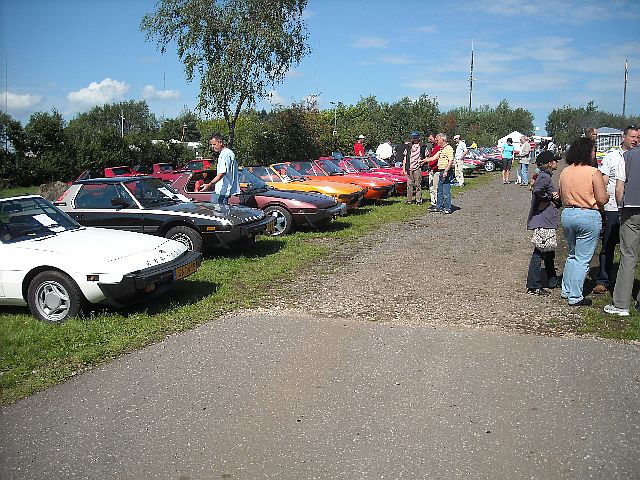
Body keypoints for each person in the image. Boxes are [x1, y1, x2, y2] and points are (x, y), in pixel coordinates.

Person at [558, 136, 608, 306]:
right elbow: (601, 199)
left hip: (568, 214)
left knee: (572, 255)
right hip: (588, 215)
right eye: (594, 150)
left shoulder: (565, 171)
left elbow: (561, 194)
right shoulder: (593, 172)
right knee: (582, 258)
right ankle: (575, 296)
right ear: (588, 152)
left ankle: (566, 289)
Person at [593, 125, 639, 294]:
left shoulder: (637, 157)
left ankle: (625, 283)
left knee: (630, 248)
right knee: (608, 244)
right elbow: (603, 180)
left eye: (637, 137)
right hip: (613, 206)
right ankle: (603, 279)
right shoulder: (612, 156)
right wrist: (601, 205)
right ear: (623, 137)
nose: (635, 140)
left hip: (633, 207)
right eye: (632, 136)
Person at [604, 133, 640, 316]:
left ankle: (621, 303)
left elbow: (619, 187)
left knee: (628, 255)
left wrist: (620, 208)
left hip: (632, 209)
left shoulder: (627, 157)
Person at [526, 151, 560, 295]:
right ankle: (533, 285)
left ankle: (552, 280)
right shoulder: (545, 177)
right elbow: (538, 191)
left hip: (546, 219)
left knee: (549, 251)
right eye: (555, 160)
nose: (557, 162)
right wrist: (549, 198)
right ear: (550, 163)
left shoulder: (544, 176)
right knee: (540, 251)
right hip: (544, 219)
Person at [200, 133, 240, 204]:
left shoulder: (225, 154)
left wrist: (209, 184)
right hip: (223, 192)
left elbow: (221, 173)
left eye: (214, 144)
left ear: (221, 142)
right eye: (211, 144)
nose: (212, 147)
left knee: (218, 214)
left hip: (221, 193)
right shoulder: (228, 153)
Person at [430, 133, 454, 214]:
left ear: (442, 140)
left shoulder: (448, 148)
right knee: (439, 190)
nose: (437, 141)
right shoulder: (441, 149)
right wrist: (424, 160)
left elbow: (450, 161)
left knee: (446, 190)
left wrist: (446, 171)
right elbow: (434, 157)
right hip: (441, 171)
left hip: (445, 170)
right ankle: (439, 206)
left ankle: (447, 208)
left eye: (438, 140)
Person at [402, 131, 426, 205]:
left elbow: (427, 157)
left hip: (417, 168)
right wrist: (404, 168)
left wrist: (421, 163)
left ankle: (418, 200)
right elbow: (405, 157)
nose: (414, 139)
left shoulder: (422, 146)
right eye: (413, 138)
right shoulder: (409, 146)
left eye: (415, 138)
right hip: (409, 168)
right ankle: (409, 200)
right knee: (409, 184)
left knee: (418, 184)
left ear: (418, 138)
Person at [426, 133, 440, 207]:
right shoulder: (432, 147)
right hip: (431, 169)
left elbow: (435, 159)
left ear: (435, 139)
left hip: (436, 170)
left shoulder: (439, 147)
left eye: (431, 139)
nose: (430, 141)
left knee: (435, 187)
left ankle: (437, 203)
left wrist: (428, 161)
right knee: (431, 187)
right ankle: (433, 202)